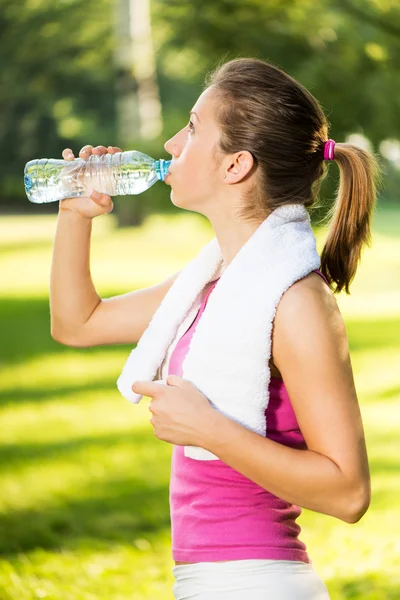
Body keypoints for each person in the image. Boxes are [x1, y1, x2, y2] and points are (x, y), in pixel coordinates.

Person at [52, 57, 381, 599]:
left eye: (193, 126)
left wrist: (209, 429)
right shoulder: (215, 280)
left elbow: (348, 493)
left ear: (235, 167)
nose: (172, 142)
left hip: (256, 583)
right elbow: (78, 324)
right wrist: (74, 215)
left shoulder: (297, 301)